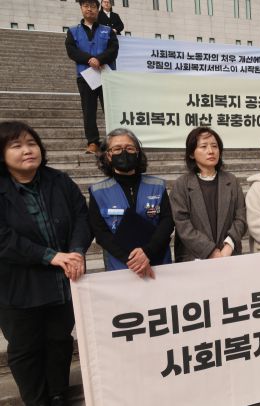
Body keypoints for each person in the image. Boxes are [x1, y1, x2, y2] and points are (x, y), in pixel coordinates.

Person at [0, 121, 92, 406]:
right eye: (16, 146)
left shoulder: (59, 181)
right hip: (19, 285)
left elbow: (81, 217)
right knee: (25, 349)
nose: (27, 150)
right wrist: (50, 256)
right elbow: (4, 239)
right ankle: (37, 400)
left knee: (59, 341)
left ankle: (58, 393)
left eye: (32, 143)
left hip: (62, 280)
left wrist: (76, 251)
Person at [89, 128, 173, 276]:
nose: (124, 153)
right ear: (108, 156)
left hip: (158, 262)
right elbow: (101, 233)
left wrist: (147, 252)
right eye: (117, 149)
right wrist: (134, 261)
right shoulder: (98, 192)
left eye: (129, 148)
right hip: (122, 267)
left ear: (137, 152)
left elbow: (167, 221)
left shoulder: (157, 185)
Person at [170, 127, 247, 262]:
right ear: (192, 154)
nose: (211, 151)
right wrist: (210, 251)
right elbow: (183, 225)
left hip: (229, 256)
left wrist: (228, 246)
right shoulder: (181, 184)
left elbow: (241, 217)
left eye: (214, 146)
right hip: (194, 259)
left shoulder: (231, 181)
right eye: (204, 146)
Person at [65, 0, 119, 155]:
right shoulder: (73, 31)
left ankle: (115, 140)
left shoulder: (107, 30)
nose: (89, 9)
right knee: (89, 110)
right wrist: (89, 59)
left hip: (106, 75)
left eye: (93, 6)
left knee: (110, 109)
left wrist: (99, 59)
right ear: (81, 8)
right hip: (85, 76)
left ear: (98, 9)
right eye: (86, 6)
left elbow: (114, 49)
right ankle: (93, 142)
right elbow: (71, 51)